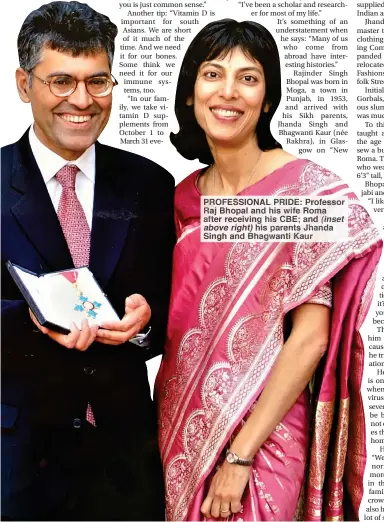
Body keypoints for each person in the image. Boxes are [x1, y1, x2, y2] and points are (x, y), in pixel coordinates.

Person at [155, 19, 382, 521]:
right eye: (213, 74)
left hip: (266, 437)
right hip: (182, 429)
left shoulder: (303, 190)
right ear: (190, 93)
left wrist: (239, 457)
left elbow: (310, 338)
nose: (228, 91)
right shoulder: (184, 199)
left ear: (268, 98)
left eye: (249, 77)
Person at [1, 2, 175, 520]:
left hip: (126, 462)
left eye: (97, 81)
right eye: (61, 81)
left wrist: (146, 323)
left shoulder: (149, 184)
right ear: (23, 83)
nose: (82, 100)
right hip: (18, 460)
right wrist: (31, 320)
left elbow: (172, 314)